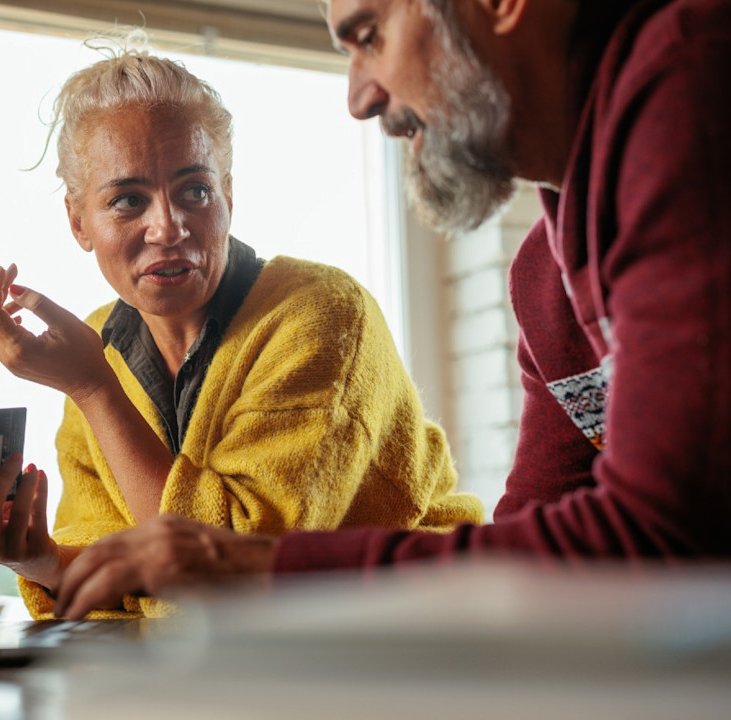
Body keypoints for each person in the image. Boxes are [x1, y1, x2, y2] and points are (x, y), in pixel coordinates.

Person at [49, 0, 731, 620]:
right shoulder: (543, 280)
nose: (359, 97)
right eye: (126, 200)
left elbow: (661, 530)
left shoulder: (689, 80)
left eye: (369, 37)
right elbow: (538, 542)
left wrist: (260, 568)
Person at [0, 38, 483, 617]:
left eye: (195, 191)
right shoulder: (97, 344)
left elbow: (238, 571)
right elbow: (128, 580)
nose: (168, 227)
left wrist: (95, 389)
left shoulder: (321, 315)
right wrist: (42, 561)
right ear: (79, 222)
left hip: (408, 641)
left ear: (229, 196)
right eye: (128, 200)